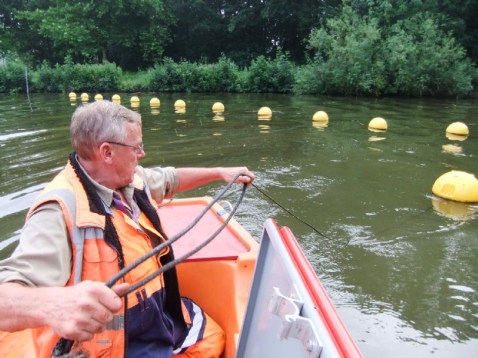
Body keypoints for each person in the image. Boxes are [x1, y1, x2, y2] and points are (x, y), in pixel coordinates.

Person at [0, 100, 255, 357]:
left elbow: (169, 179)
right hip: (108, 335)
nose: (141, 154)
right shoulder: (58, 211)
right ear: (107, 153)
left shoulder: (129, 179)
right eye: (137, 147)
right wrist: (55, 305)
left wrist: (220, 172)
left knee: (212, 338)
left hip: (152, 314)